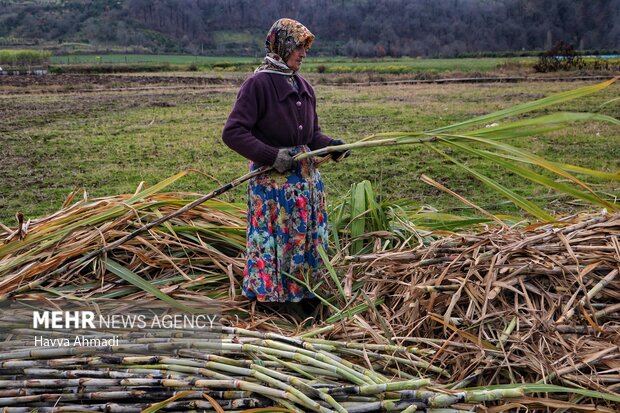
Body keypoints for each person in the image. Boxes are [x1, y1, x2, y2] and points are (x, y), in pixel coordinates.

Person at [222, 18, 349, 304]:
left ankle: (304, 295)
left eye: (305, 47)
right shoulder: (258, 84)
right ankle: (273, 303)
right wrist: (272, 155)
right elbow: (233, 133)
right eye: (298, 47)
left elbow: (313, 136)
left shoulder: (303, 85)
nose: (303, 53)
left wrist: (333, 146)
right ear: (282, 46)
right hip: (273, 192)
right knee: (277, 243)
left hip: (306, 189)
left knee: (305, 243)